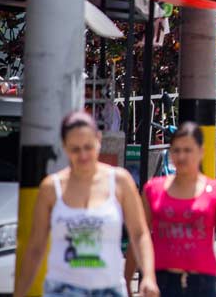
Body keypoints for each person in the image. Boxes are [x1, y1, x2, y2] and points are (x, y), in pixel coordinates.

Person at [15, 111, 159, 297]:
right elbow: (36, 247)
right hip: (62, 290)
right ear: (64, 147)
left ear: (98, 139)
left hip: (109, 289)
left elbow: (139, 234)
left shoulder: (120, 181)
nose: (83, 155)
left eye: (88, 147)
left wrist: (148, 276)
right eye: (75, 149)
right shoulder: (51, 188)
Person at [143, 124, 216, 297]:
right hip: (163, 279)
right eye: (176, 150)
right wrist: (140, 276)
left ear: (201, 152)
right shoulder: (153, 189)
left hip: (202, 281)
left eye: (188, 150)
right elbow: (140, 235)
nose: (182, 156)